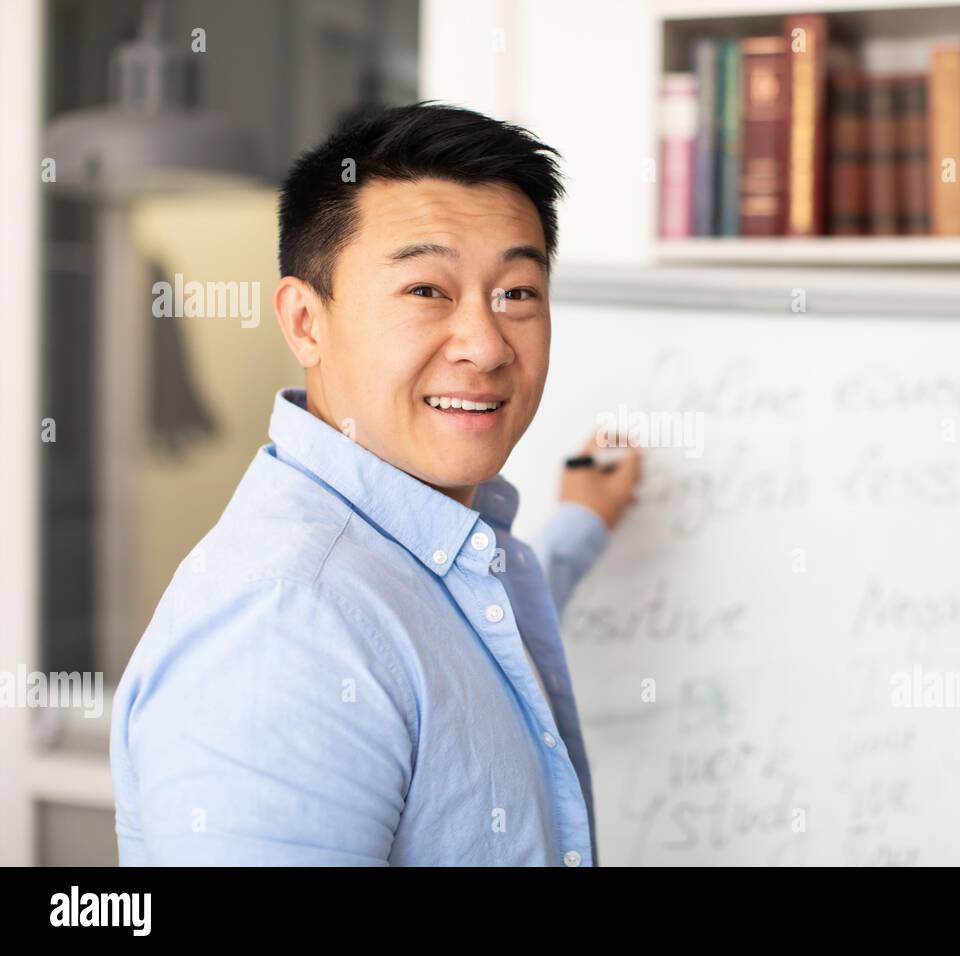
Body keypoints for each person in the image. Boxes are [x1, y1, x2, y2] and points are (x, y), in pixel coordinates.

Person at [110, 102, 641, 866]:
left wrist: (579, 526)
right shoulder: (286, 623)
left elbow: (446, 637)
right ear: (305, 321)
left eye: (517, 293)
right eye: (427, 291)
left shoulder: (418, 546)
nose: (486, 345)